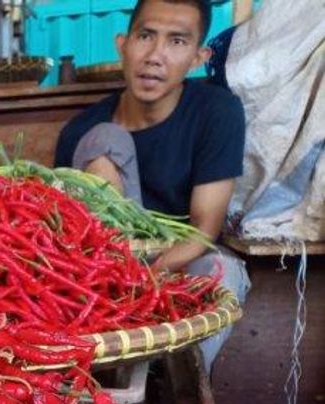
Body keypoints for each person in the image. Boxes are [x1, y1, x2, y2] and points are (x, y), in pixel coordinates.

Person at [54, 0, 251, 379]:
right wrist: (121, 278)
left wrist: (150, 278)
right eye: (146, 36)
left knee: (219, 272)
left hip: (178, 263)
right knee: (104, 139)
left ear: (198, 56)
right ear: (122, 44)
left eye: (177, 42)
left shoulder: (217, 112)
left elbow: (202, 232)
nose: (155, 56)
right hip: (104, 274)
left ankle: (184, 395)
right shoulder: (81, 133)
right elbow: (67, 238)